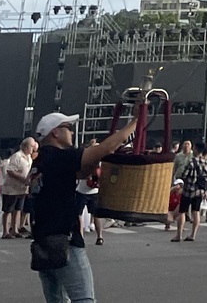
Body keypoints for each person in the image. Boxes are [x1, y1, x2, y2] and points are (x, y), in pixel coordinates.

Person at [26, 108, 138, 303]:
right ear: (55, 132)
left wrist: (93, 160)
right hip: (64, 240)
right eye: (68, 127)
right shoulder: (59, 156)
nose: (71, 132)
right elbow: (105, 148)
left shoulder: (42, 159)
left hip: (44, 242)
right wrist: (135, 121)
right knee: (83, 299)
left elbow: (81, 172)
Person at [172, 144, 207, 242]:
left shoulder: (191, 162)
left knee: (182, 212)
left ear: (196, 150)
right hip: (200, 191)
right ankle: (193, 235)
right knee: (196, 211)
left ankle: (179, 235)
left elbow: (184, 175)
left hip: (188, 190)